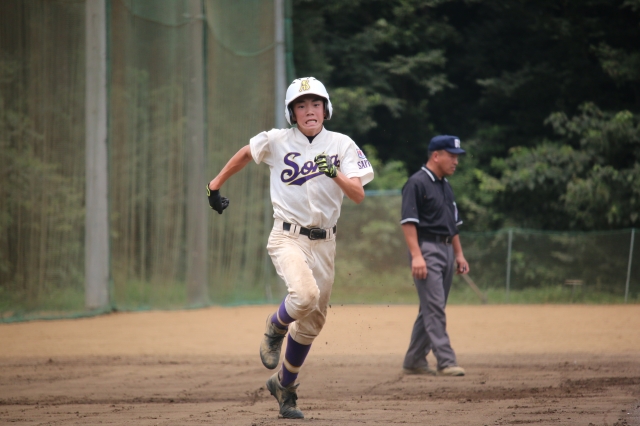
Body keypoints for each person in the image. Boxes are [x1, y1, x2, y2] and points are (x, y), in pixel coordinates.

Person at [206, 77, 374, 419]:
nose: (309, 110)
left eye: (315, 104)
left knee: (312, 323)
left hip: (325, 243)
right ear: (292, 113)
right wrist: (215, 185)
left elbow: (358, 194)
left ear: (326, 109)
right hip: (287, 237)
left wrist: (336, 175)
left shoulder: (342, 144)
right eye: (301, 105)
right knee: (304, 295)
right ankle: (275, 328)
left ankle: (284, 385)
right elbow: (247, 153)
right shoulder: (277, 140)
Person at [399, 135, 469, 377]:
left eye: (457, 157)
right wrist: (417, 256)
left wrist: (459, 254)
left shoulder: (445, 186)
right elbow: (408, 222)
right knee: (435, 307)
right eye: (452, 156)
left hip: (447, 249)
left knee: (431, 307)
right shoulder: (416, 183)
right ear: (436, 155)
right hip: (427, 249)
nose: (456, 161)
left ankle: (414, 360)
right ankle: (446, 361)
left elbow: (453, 225)